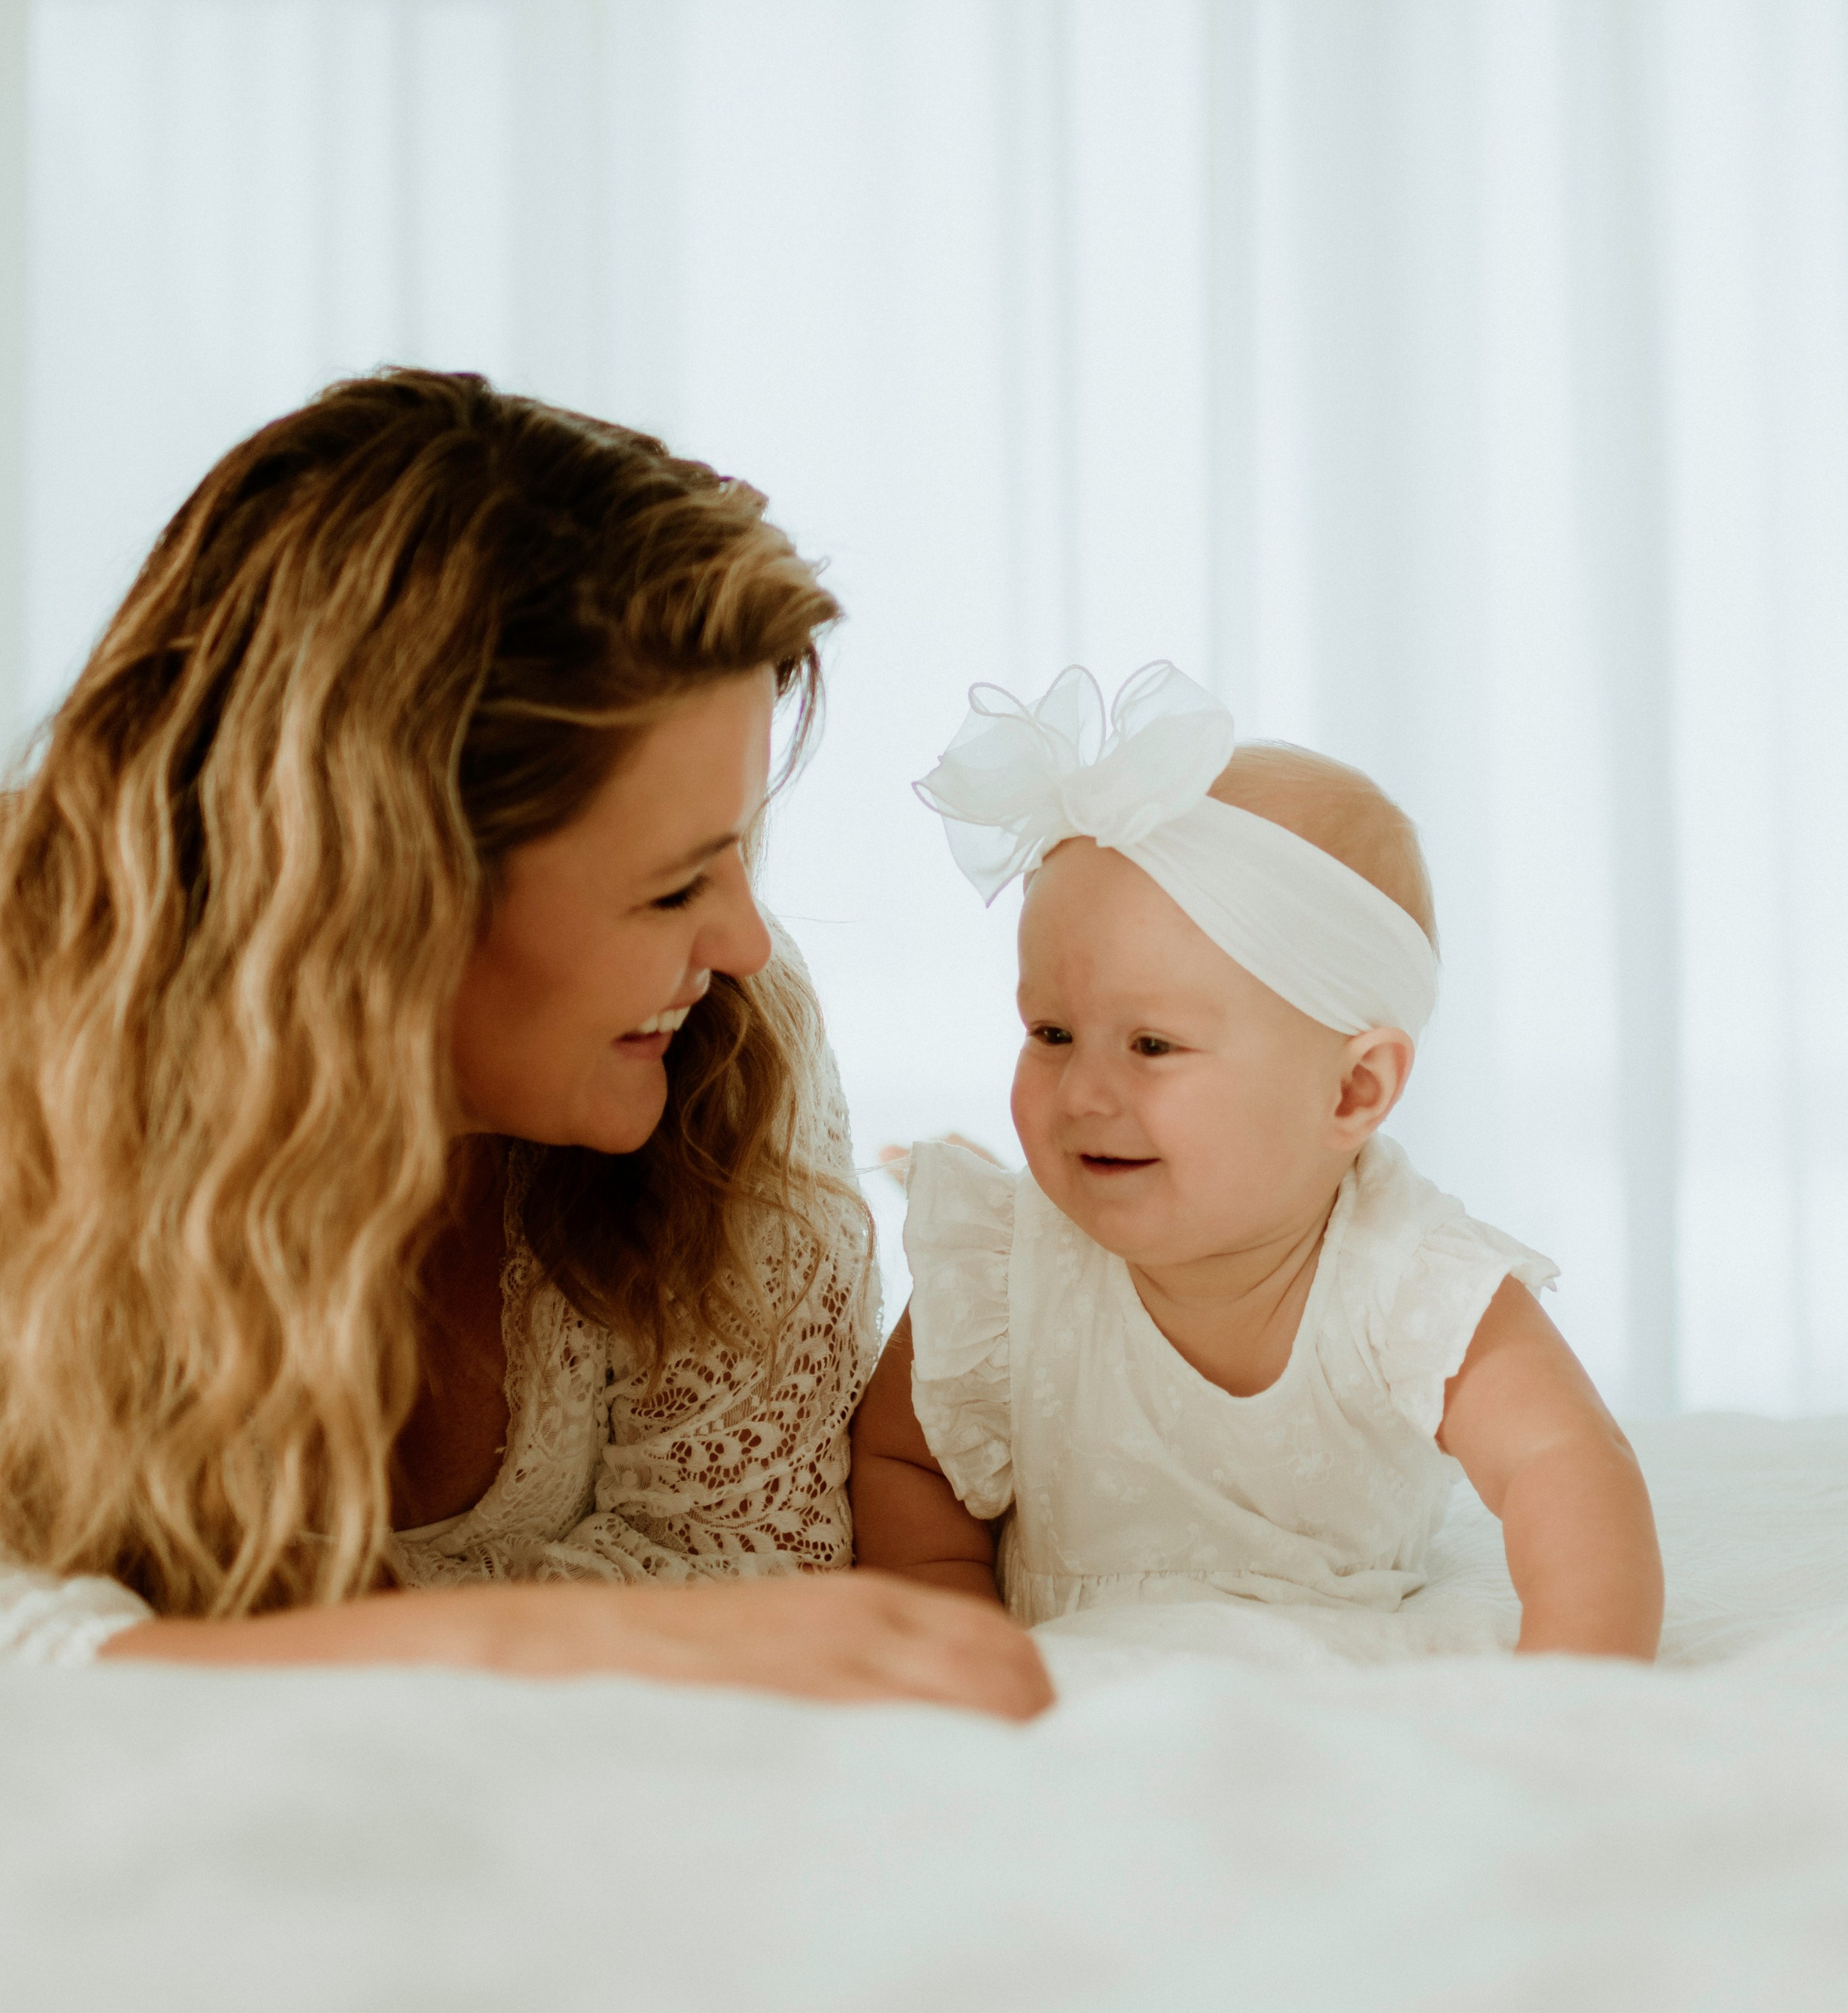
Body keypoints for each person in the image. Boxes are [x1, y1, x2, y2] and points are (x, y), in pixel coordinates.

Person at [0, 369, 1049, 1720]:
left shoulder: (724, 1046)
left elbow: (743, 1581)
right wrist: (516, 1646)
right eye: (672, 886)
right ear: (380, 892)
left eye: (738, 856)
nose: (740, 939)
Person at [850, 663, 1664, 1661]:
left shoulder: (1406, 1275)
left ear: (1351, 1092)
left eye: (1152, 1046)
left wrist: (1578, 1685)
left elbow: (1565, 1463)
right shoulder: (1003, 1270)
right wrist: (955, 1630)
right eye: (1051, 1032)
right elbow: (904, 1462)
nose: (1084, 1093)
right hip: (1075, 1701)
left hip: (1342, 1689)